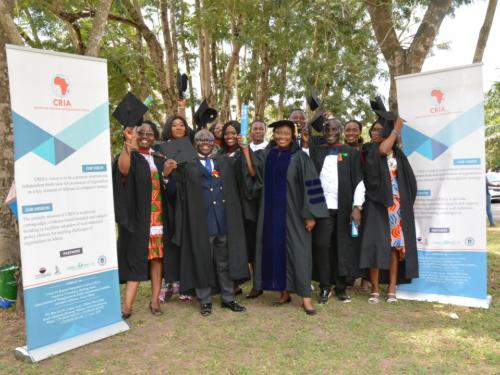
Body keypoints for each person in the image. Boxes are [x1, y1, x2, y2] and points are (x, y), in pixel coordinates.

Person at [241, 120, 329, 315]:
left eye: (286, 133)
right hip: (271, 213)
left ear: (292, 135)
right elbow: (254, 173)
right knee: (276, 251)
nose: (282, 136)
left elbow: (311, 184)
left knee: (300, 253)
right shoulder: (267, 155)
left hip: (295, 213)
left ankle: (306, 298)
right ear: (273, 135)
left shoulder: (299, 157)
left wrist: (311, 215)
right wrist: (246, 151)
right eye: (278, 133)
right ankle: (284, 293)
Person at [169, 128, 249, 316]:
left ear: (215, 142)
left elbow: (242, 180)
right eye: (200, 139)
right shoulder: (186, 165)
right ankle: (205, 300)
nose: (205, 141)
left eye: (209, 139)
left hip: (223, 221)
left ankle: (228, 298)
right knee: (202, 260)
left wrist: (245, 149)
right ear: (194, 142)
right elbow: (175, 192)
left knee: (224, 262)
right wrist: (167, 175)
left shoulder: (224, 162)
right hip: (200, 223)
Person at [113, 120, 177, 318]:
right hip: (137, 219)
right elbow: (123, 171)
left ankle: (155, 301)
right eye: (141, 132)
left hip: (158, 218)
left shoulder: (158, 158)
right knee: (135, 258)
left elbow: (167, 187)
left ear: (155, 137)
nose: (145, 136)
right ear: (134, 134)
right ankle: (127, 307)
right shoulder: (130, 155)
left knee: (157, 260)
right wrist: (127, 144)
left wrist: (166, 175)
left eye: (150, 133)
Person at [360, 115, 418, 304]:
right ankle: (375, 289)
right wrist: (397, 127)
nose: (374, 133)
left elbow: (409, 181)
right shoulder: (370, 149)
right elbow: (383, 149)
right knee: (375, 244)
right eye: (373, 130)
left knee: (394, 247)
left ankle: (392, 288)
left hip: (396, 206)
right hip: (376, 204)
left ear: (385, 132)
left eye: (378, 130)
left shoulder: (399, 155)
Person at [307, 118, 364, 304]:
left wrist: (357, 207)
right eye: (327, 129)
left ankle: (340, 287)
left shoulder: (350, 153)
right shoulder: (318, 151)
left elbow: (359, 181)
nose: (330, 132)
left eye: (334, 129)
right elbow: (311, 180)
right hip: (322, 208)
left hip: (344, 207)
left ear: (340, 131)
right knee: (322, 246)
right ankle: (325, 286)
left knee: (342, 247)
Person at [156, 115, 192, 302]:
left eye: (182, 125)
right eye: (174, 125)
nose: (178, 127)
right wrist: (166, 174)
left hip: (189, 202)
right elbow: (158, 178)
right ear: (169, 128)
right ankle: (170, 283)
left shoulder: (192, 148)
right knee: (170, 242)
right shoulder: (160, 150)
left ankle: (186, 284)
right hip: (169, 202)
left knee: (187, 241)